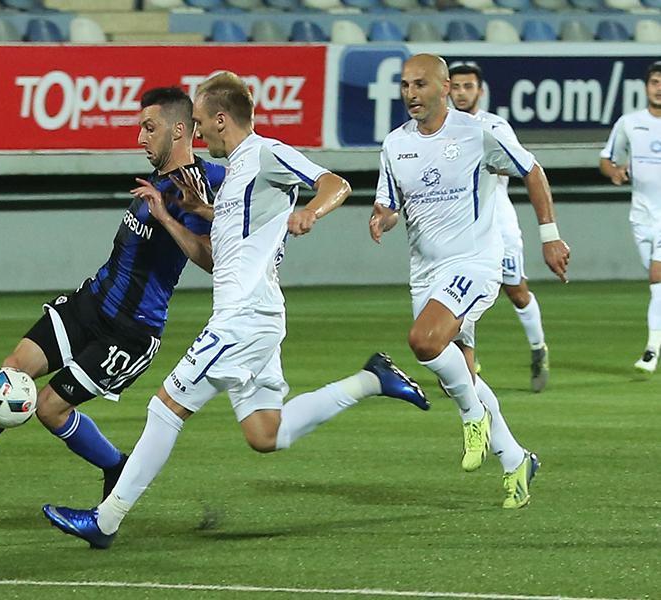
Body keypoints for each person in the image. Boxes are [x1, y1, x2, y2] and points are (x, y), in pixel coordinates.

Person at [42, 71, 430, 549]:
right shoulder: (235, 179)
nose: (197, 130)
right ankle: (371, 380)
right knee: (266, 432)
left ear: (222, 119)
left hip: (241, 319)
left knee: (165, 408)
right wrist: (186, 213)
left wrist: (311, 211)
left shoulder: (265, 152)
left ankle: (105, 521)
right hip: (256, 318)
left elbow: (335, 183)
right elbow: (221, 247)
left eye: (201, 121)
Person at [0, 87, 225, 503]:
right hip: (90, 303)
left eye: (150, 128)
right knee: (11, 372)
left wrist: (167, 217)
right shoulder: (158, 178)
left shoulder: (198, 185)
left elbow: (212, 259)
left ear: (180, 130)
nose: (140, 138)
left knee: (49, 408)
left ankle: (116, 467)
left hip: (130, 331)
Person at [369, 54, 570, 509]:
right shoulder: (395, 144)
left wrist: (550, 236)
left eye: (420, 84)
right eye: (405, 85)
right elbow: (390, 203)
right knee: (459, 372)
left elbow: (532, 171)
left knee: (424, 340)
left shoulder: (479, 132)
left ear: (444, 87)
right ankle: (516, 459)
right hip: (425, 272)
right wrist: (383, 218)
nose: (411, 93)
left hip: (474, 262)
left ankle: (472, 416)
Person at [449, 62, 550, 392]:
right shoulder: (442, 129)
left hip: (499, 224)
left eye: (468, 86)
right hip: (461, 228)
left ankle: (538, 348)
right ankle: (467, 363)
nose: (461, 93)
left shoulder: (494, 126)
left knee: (516, 292)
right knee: (457, 295)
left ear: (480, 91)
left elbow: (521, 166)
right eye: (456, 87)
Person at [599, 61, 661, 374]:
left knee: (658, 281)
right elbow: (606, 159)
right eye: (655, 82)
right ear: (646, 86)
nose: (659, 88)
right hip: (641, 216)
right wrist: (614, 172)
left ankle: (651, 350)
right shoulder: (630, 123)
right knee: (656, 284)